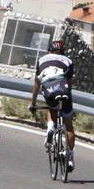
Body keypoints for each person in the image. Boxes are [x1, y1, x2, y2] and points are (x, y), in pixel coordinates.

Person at [30, 36, 76, 172]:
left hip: (49, 89)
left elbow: (36, 84)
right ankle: (71, 158)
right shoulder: (68, 61)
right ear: (63, 51)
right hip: (64, 90)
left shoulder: (41, 60)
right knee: (69, 125)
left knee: (52, 108)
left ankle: (50, 127)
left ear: (49, 50)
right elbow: (69, 82)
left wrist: (32, 103)